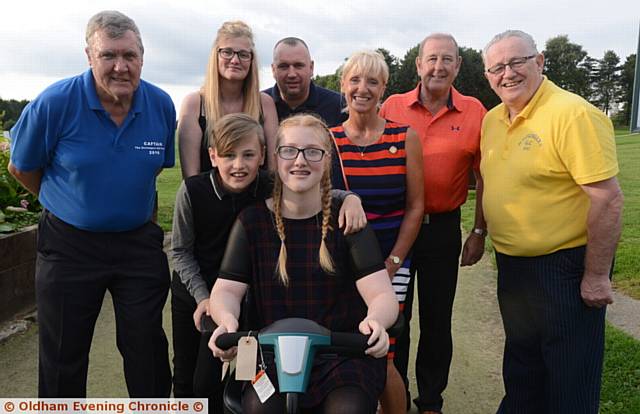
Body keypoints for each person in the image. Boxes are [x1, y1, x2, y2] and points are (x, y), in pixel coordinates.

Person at [8, 10, 175, 397]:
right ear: (89, 56)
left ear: (142, 58)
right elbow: (21, 167)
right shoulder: (55, 102)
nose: (121, 67)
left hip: (137, 244)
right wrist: (67, 202)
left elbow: (153, 170)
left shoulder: (161, 105)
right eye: (109, 56)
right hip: (69, 245)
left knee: (146, 346)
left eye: (130, 56)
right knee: (63, 351)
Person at [171, 113, 367, 409]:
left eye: (248, 155)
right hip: (198, 289)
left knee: (248, 373)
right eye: (228, 155)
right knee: (196, 379)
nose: (239, 165)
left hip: (248, 291)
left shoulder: (268, 185)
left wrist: (351, 198)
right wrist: (204, 297)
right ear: (213, 156)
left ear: (262, 156)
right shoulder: (193, 191)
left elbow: (318, 190)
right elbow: (180, 250)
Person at [208, 114, 398, 414]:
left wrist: (376, 320)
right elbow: (227, 291)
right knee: (261, 408)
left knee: (348, 409)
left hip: (341, 355)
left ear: (326, 161)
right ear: (276, 158)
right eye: (290, 150)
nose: (300, 160)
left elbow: (381, 294)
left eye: (312, 151)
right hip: (268, 356)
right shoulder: (251, 221)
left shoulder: (347, 221)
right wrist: (227, 321)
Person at [481, 30, 623, 414]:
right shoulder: (493, 119)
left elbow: (607, 199)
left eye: (517, 62)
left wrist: (595, 276)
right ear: (488, 74)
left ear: (540, 61)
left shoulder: (572, 113)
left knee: (569, 377)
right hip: (513, 264)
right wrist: (480, 232)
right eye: (497, 67)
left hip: (564, 266)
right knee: (524, 367)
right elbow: (488, 182)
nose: (507, 73)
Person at [379, 33, 487, 414]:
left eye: (447, 59)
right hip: (397, 229)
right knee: (395, 315)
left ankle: (430, 400)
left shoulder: (475, 111)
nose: (438, 67)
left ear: (458, 65)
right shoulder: (391, 105)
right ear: (418, 64)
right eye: (432, 59)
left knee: (437, 320)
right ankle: (396, 396)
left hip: (443, 228)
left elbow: (485, 177)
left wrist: (478, 231)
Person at [331, 50, 424, 414]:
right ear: (343, 86)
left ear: (384, 88)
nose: (362, 88)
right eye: (355, 80)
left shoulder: (404, 137)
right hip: (341, 266)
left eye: (372, 81)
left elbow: (416, 206)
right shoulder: (330, 139)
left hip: (390, 263)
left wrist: (394, 261)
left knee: (384, 356)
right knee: (345, 351)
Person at [178, 20, 278, 177]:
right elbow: (191, 178)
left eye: (243, 54)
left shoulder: (265, 104)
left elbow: (273, 172)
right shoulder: (194, 104)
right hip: (207, 199)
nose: (235, 60)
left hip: (257, 199)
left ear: (252, 60)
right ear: (215, 55)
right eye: (227, 52)